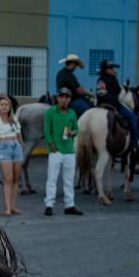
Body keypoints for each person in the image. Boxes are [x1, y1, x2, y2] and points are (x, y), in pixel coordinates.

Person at [43, 87, 83, 216]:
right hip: (56, 151)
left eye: (67, 97)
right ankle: (49, 204)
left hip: (69, 150)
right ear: (57, 98)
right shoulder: (50, 112)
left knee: (69, 179)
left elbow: (76, 129)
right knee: (52, 179)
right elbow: (46, 131)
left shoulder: (72, 113)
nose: (64, 99)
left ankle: (69, 205)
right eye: (62, 97)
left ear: (70, 99)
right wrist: (51, 144)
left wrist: (73, 132)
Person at [0, 96, 24, 216]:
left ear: (9, 107)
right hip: (3, 147)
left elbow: (19, 136)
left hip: (16, 147)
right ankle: (7, 208)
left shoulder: (14, 119)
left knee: (15, 179)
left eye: (6, 105)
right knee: (8, 179)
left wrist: (20, 145)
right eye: (2, 104)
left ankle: (13, 206)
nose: (4, 106)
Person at [96, 59, 139, 147]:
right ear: (106, 69)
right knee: (133, 117)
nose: (113, 70)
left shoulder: (99, 79)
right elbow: (118, 92)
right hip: (113, 104)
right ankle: (135, 142)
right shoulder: (113, 78)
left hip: (99, 104)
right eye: (111, 68)